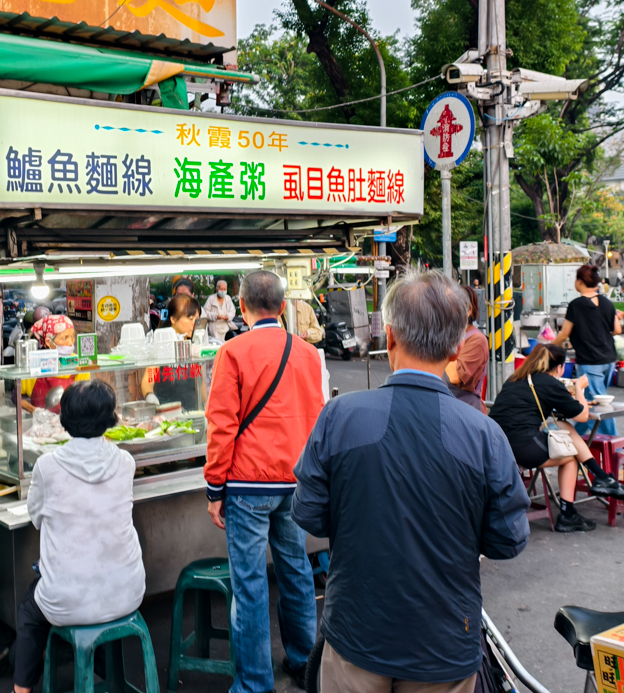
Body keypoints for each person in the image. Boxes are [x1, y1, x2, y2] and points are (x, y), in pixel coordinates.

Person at [292, 270, 528, 693]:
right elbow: (507, 540)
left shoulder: (340, 416)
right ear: (457, 347)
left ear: (390, 336)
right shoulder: (484, 434)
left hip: (355, 636)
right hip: (445, 645)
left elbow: (310, 514)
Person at [205, 270, 323, 693]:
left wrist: (214, 489)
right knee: (296, 574)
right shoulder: (309, 354)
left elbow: (222, 426)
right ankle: (304, 663)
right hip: (295, 484)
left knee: (250, 585)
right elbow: (317, 421)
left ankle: (255, 682)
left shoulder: (232, 352)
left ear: (242, 306)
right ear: (281, 304)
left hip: (247, 486)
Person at [12, 380, 145, 693]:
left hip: (67, 601)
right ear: (110, 419)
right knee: (94, 582)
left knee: (29, 612)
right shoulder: (126, 462)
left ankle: (21, 690)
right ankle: (104, 678)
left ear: (65, 419)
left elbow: (35, 517)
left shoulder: (47, 466)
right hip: (127, 591)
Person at [489, 343, 624, 532]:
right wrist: (580, 389)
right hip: (521, 447)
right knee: (570, 456)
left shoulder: (515, 379)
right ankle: (569, 512)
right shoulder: (549, 382)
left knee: (563, 426)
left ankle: (600, 477)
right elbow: (582, 416)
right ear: (559, 367)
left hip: (497, 445)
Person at [554, 264, 621, 435]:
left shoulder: (576, 305)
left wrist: (546, 347)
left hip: (591, 361)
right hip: (608, 359)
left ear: (581, 281)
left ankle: (614, 445)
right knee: (591, 401)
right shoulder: (606, 302)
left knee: (600, 405)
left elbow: (564, 334)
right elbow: (617, 329)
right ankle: (580, 438)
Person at [142, 293, 203, 409]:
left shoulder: (196, 347)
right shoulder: (161, 346)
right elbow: (148, 380)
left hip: (195, 411)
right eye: (190, 319)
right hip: (167, 413)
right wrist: (150, 396)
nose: (194, 324)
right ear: (173, 319)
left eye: (197, 319)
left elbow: (202, 385)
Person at [19, 314, 88, 414]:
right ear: (48, 341)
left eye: (72, 337)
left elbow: (85, 397)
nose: (70, 342)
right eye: (65, 338)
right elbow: (16, 396)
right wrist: (35, 411)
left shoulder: (78, 361)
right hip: (41, 425)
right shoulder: (36, 362)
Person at [444, 283, 489, 413]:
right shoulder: (446, 335)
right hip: (446, 409)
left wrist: (447, 337)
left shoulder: (477, 340)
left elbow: (455, 377)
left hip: (466, 411)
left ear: (468, 310)